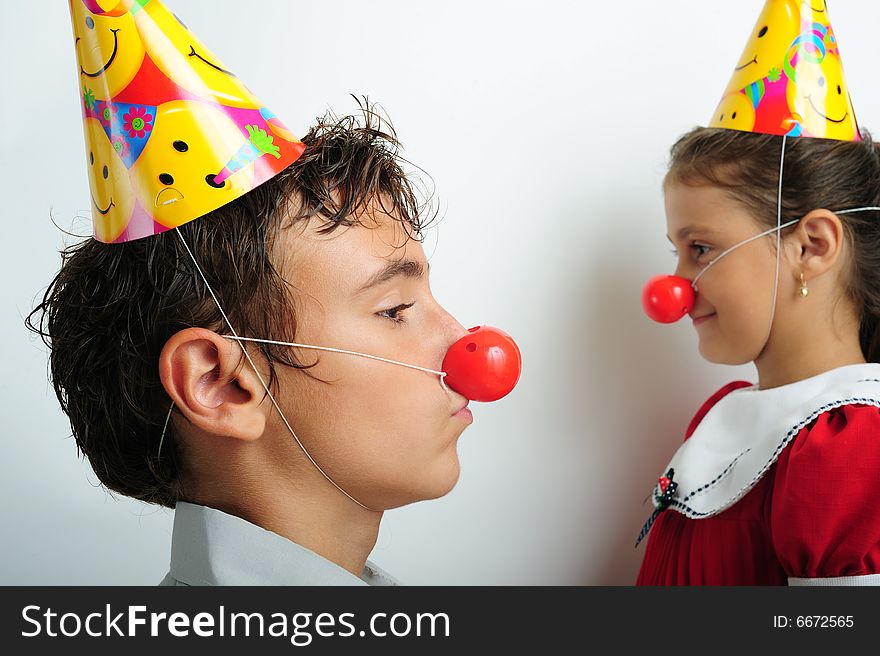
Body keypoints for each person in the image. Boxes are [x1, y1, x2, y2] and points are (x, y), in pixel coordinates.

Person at [635, 2, 880, 585]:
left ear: (811, 246)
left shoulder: (847, 448)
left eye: (700, 248)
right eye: (674, 251)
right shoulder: (724, 413)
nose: (674, 288)